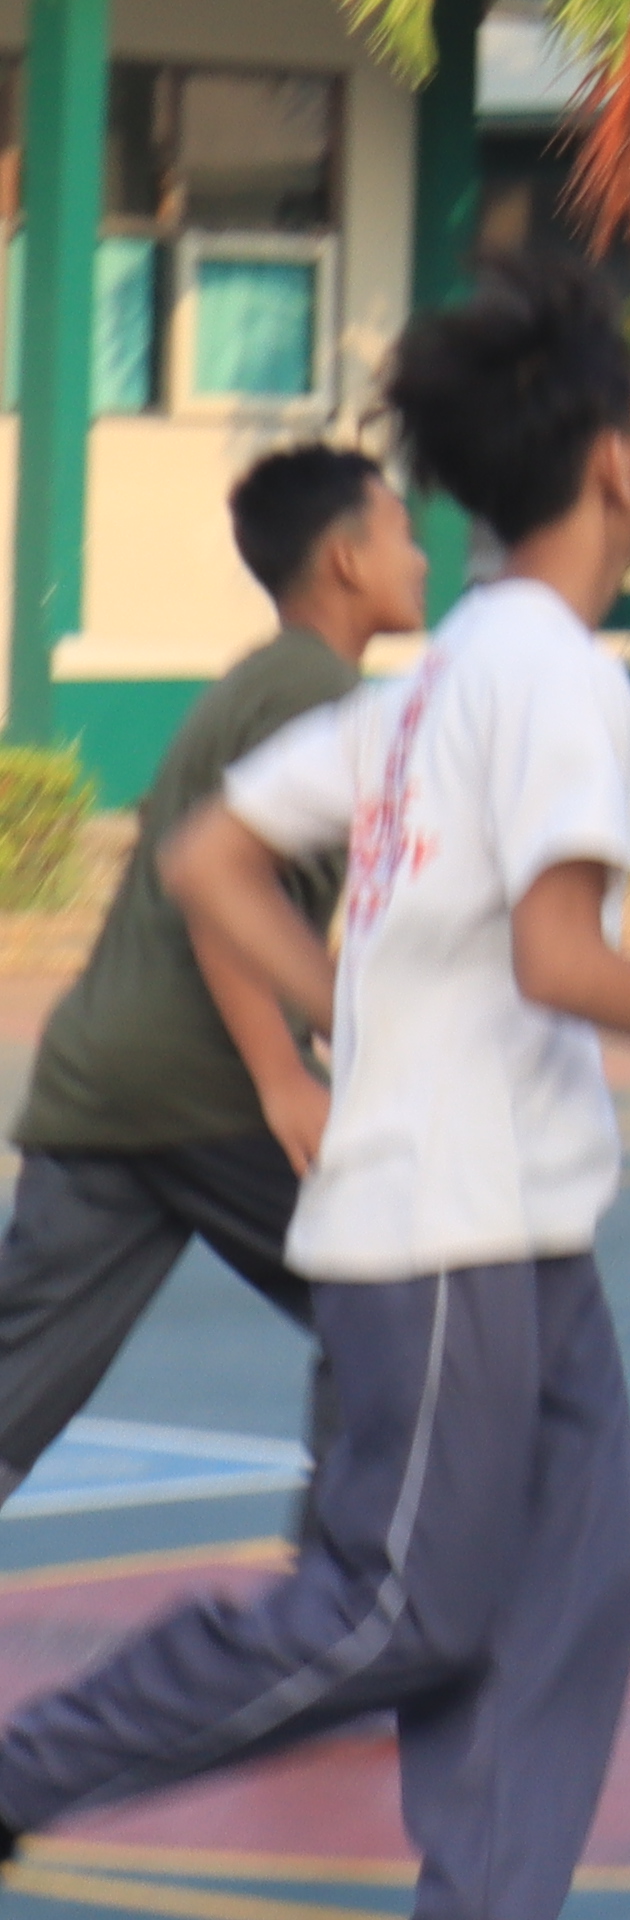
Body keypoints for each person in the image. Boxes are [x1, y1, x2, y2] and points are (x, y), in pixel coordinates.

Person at [0, 250, 630, 1920]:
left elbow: (207, 857)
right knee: (390, 1609)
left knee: (568, 1603)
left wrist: (358, 1007)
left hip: (528, 1226)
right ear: (614, 463)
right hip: (447, 1229)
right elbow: (559, 958)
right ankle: (20, 1776)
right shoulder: (552, 680)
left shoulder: (445, 677)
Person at [0, 444, 426, 1508]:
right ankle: (346, 1580)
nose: (421, 557)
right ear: (345, 560)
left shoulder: (263, 678)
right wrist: (283, 1075)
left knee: (12, 1386)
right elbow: (227, 895)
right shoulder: (319, 694)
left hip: (102, 1078)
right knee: (395, 1287)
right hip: (205, 1081)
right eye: (402, 533)